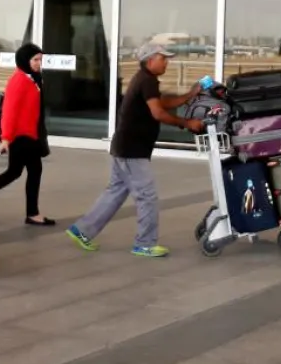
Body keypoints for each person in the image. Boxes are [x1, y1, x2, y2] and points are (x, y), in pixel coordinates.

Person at [67, 42, 203, 258]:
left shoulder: (145, 79)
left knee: (115, 192)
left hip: (124, 147)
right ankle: (145, 244)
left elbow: (162, 103)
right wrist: (187, 124)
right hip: (132, 151)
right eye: (163, 58)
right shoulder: (147, 80)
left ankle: (81, 230)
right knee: (147, 196)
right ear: (150, 60)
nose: (166, 62)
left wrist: (189, 96)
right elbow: (158, 112)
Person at [0, 42, 53, 225]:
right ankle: (31, 213)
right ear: (25, 60)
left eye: (40, 60)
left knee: (16, 172)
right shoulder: (19, 80)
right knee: (27, 171)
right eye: (35, 59)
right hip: (21, 137)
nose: (39, 63)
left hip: (30, 135)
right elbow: (9, 112)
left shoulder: (32, 78)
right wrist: (6, 138)